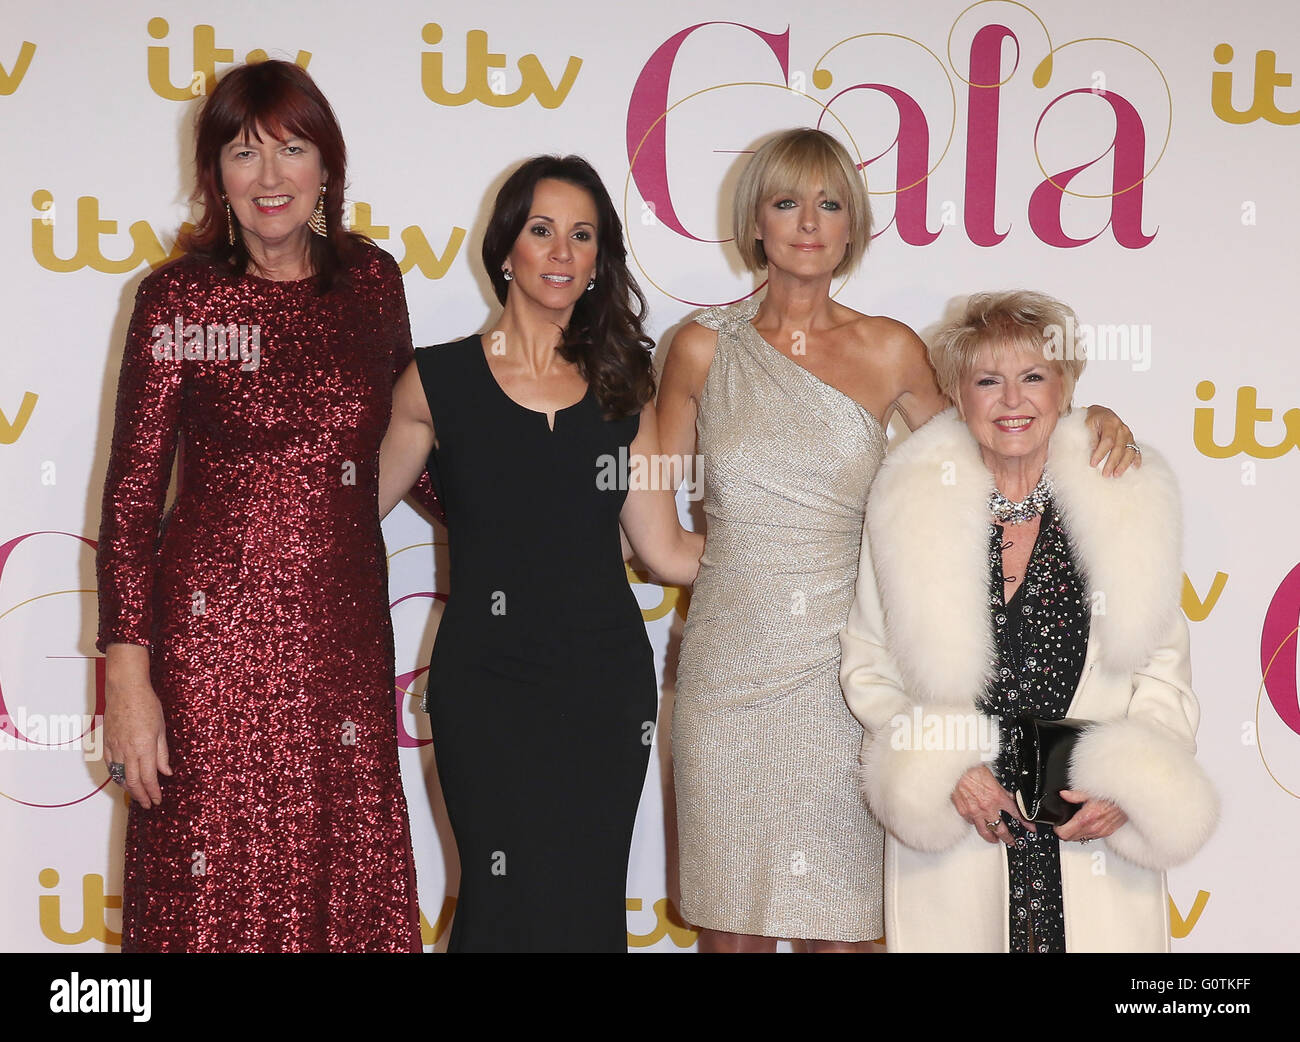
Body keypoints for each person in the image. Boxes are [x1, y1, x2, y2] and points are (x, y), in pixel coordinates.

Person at [657, 128, 1141, 952]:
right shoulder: (703, 346)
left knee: (848, 931)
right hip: (729, 674)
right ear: (757, 222)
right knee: (730, 932)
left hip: (849, 671)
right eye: (786, 202)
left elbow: (995, 442)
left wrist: (1092, 424)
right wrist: (741, 571)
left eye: (830, 203)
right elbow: (654, 521)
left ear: (853, 225)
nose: (808, 222)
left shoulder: (890, 349)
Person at [97, 60, 437, 952]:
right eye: (245, 154)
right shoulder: (179, 298)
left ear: (328, 166)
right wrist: (127, 679)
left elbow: (412, 447)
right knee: (211, 900)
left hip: (342, 646)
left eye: (294, 149)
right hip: (210, 659)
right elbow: (132, 498)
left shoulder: (372, 282)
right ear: (216, 175)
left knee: (342, 886)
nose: (272, 176)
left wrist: (548, 498)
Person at [379, 155, 702, 952]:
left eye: (581, 235)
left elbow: (664, 550)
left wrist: (807, 555)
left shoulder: (628, 385)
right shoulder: (437, 381)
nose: (561, 251)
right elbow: (343, 520)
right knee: (497, 906)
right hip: (485, 684)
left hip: (603, 685)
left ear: (599, 260)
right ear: (506, 249)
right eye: (542, 229)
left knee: (588, 908)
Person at [840, 291, 1217, 951]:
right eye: (989, 380)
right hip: (963, 835)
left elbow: (1164, 670)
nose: (1012, 401)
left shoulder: (1124, 496)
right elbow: (869, 664)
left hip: (1087, 832)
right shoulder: (910, 504)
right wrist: (945, 766)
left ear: (1065, 388)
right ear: (958, 393)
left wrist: (1129, 782)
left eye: (1033, 377)